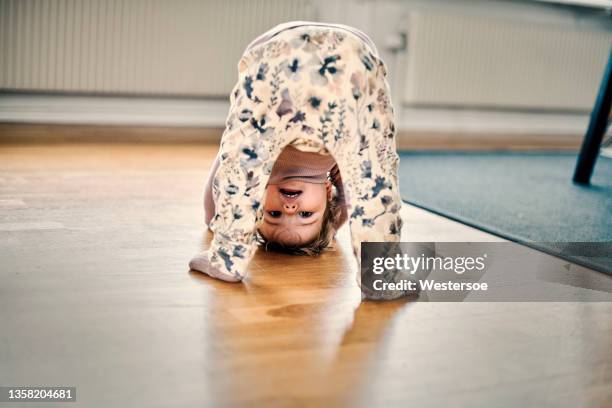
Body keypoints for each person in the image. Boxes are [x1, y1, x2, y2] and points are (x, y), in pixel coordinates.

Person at [189, 20, 404, 291]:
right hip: (354, 63)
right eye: (306, 214)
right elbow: (357, 200)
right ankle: (380, 276)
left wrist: (214, 217)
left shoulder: (256, 169)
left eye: (273, 213)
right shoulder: (337, 163)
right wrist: (332, 227)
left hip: (278, 56)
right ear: (328, 194)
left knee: (237, 164)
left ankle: (227, 259)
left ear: (256, 205)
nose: (290, 209)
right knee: (374, 177)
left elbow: (227, 172)